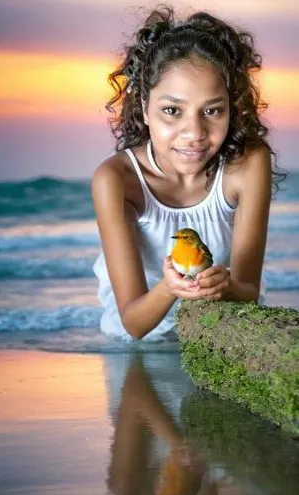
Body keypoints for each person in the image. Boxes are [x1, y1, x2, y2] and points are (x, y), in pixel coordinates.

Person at [92, 5, 285, 341]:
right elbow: (134, 323)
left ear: (232, 107)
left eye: (212, 110)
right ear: (144, 110)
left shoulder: (249, 164)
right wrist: (171, 287)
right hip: (140, 340)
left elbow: (248, 289)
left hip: (220, 325)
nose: (194, 132)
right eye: (172, 111)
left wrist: (223, 285)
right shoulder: (116, 180)